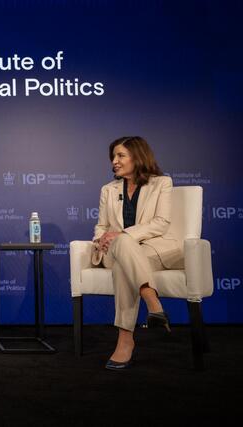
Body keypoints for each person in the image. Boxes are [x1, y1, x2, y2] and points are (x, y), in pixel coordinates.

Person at [92, 136, 184, 371]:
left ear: (138, 156)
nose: (115, 161)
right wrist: (100, 239)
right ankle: (152, 301)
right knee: (122, 247)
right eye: (113, 156)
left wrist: (122, 235)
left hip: (152, 248)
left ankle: (125, 341)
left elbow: (161, 223)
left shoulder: (161, 183)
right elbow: (102, 227)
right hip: (116, 251)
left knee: (124, 250)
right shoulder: (108, 190)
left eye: (121, 155)